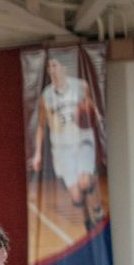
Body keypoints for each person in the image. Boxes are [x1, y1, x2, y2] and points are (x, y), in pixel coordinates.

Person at [30, 55, 103, 227]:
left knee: (84, 182)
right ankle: (87, 218)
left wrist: (94, 116)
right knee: (77, 196)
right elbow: (41, 125)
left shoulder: (80, 86)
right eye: (49, 67)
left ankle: (97, 205)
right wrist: (38, 154)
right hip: (61, 148)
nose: (51, 70)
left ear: (64, 68)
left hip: (82, 140)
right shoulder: (46, 95)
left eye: (54, 65)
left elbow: (92, 108)